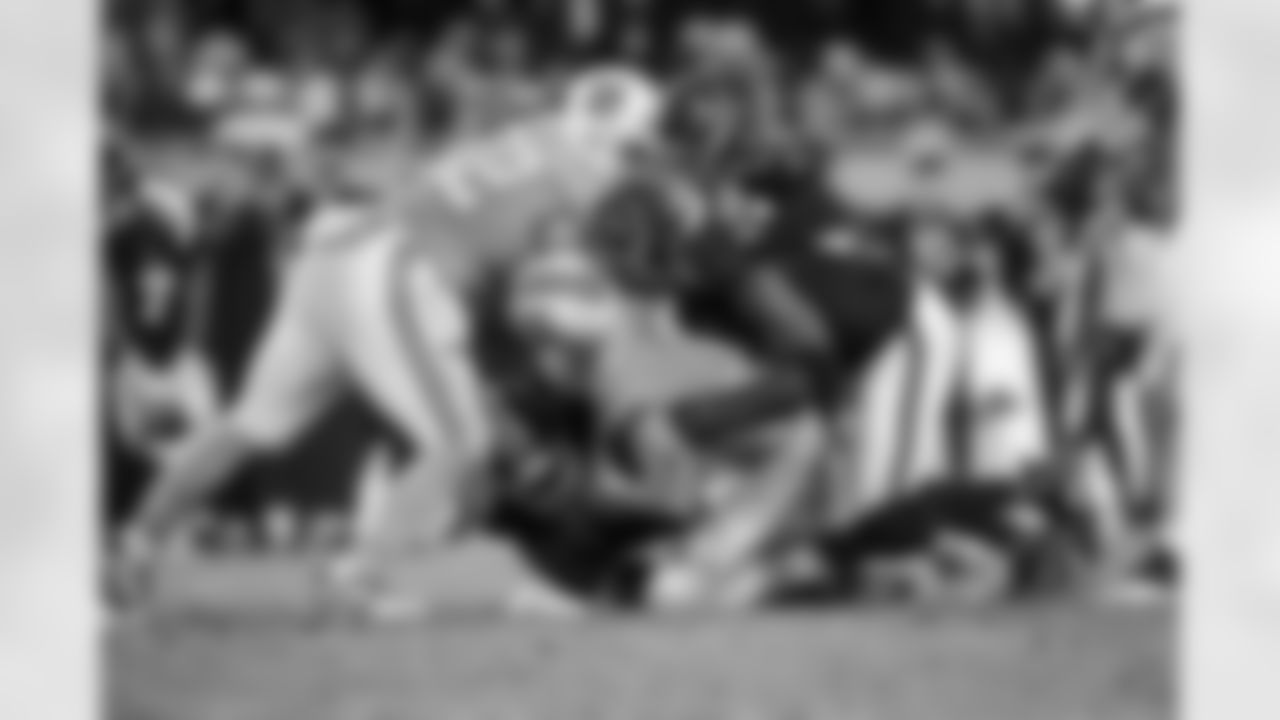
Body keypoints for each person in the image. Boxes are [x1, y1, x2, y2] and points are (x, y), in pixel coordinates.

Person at [109, 67, 668, 620]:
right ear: (624, 138)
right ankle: (360, 576)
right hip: (396, 270)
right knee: (461, 446)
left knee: (250, 426)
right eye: (644, 147)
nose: (649, 162)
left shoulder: (536, 135)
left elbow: (492, 245)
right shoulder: (593, 178)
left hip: (334, 249)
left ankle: (134, 545)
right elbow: (537, 297)